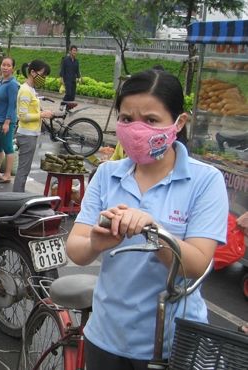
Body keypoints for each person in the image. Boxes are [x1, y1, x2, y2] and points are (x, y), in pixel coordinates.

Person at [66, 69, 228, 369]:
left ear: (179, 122)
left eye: (151, 120)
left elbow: (197, 265)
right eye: (127, 119)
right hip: (105, 337)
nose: (136, 129)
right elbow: (75, 249)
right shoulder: (107, 174)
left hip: (171, 344)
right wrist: (95, 242)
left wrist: (153, 230)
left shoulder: (205, 181)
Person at [13, 60, 54, 192]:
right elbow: (22, 116)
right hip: (26, 135)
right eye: (43, 75)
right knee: (23, 170)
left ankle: (18, 195)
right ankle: (17, 197)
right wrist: (42, 114)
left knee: (25, 169)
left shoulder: (31, 89)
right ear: (32, 72)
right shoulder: (25, 91)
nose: (44, 78)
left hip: (31, 134)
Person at [0, 57, 19, 184]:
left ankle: (7, 174)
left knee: (8, 148)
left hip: (5, 122)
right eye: (3, 65)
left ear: (13, 68)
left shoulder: (13, 85)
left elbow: (12, 105)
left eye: (8, 65)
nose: (5, 67)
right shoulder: (0, 82)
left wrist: (7, 122)